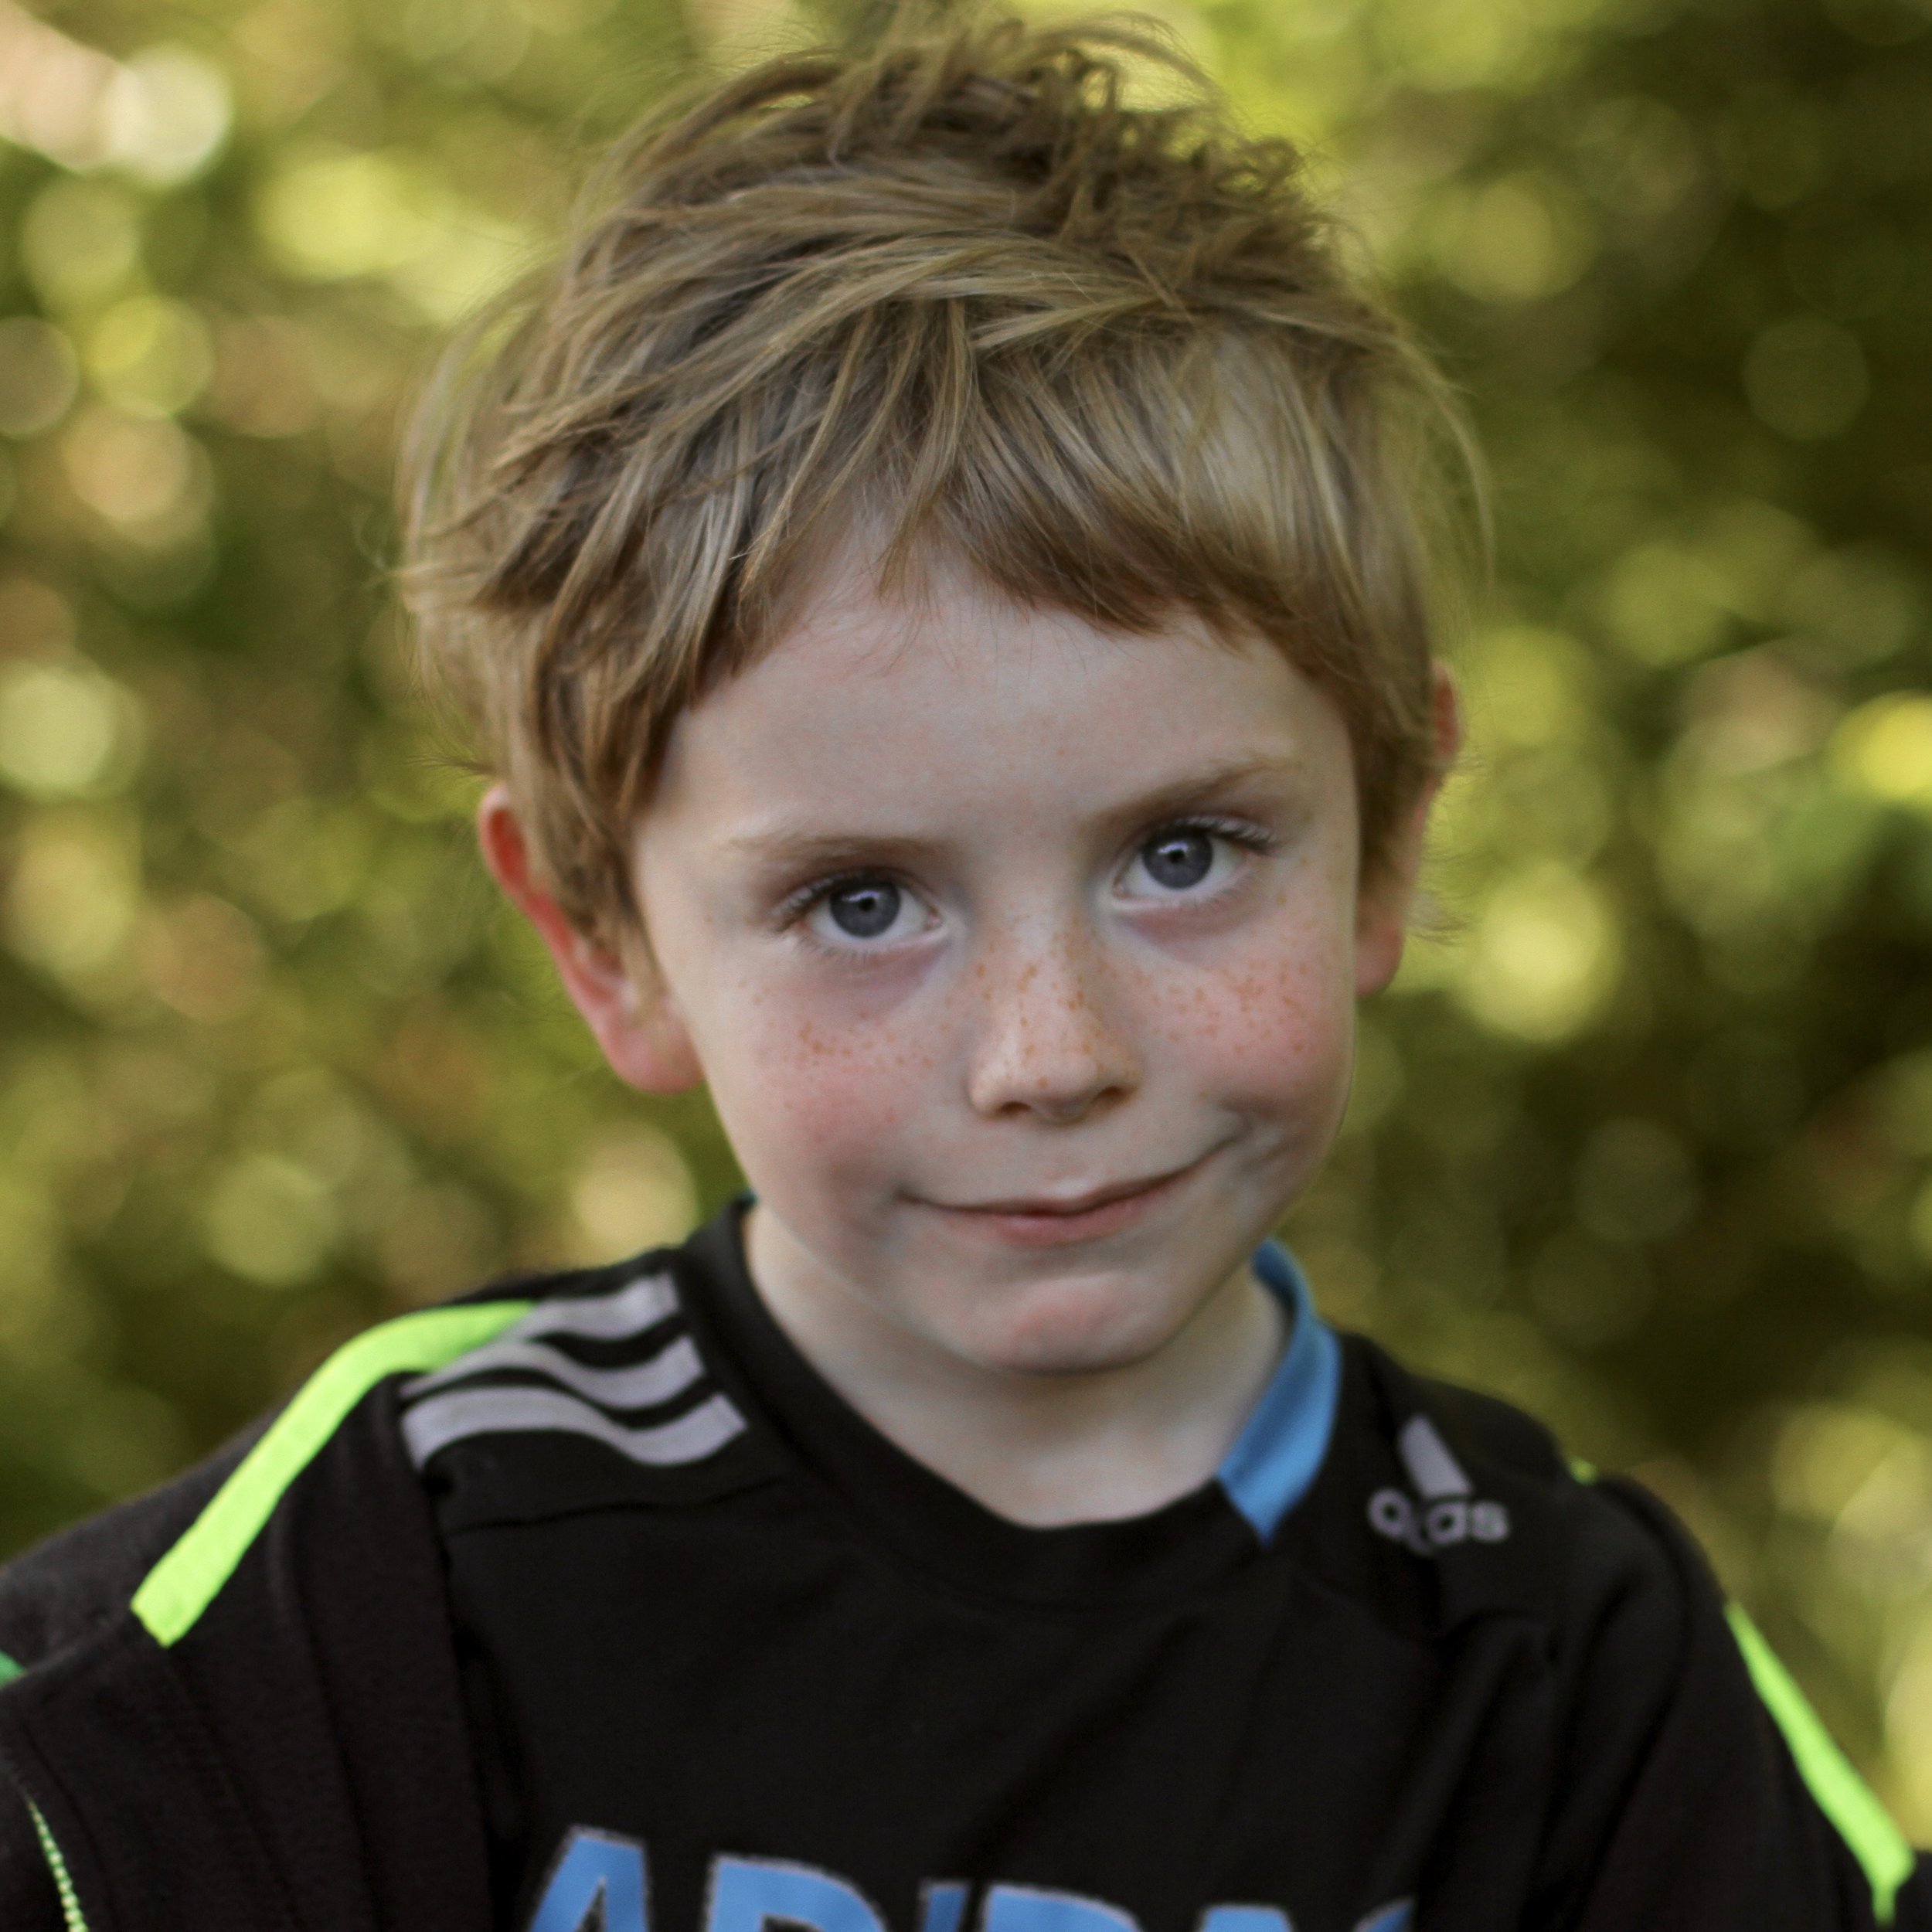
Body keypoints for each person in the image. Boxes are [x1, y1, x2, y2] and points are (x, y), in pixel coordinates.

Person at [0, 9, 1924, 1930]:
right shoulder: (414, 1554)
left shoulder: (1559, 1650)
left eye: (1181, 855)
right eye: (859, 901)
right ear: (604, 941)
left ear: (1387, 840)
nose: (1048, 1054)